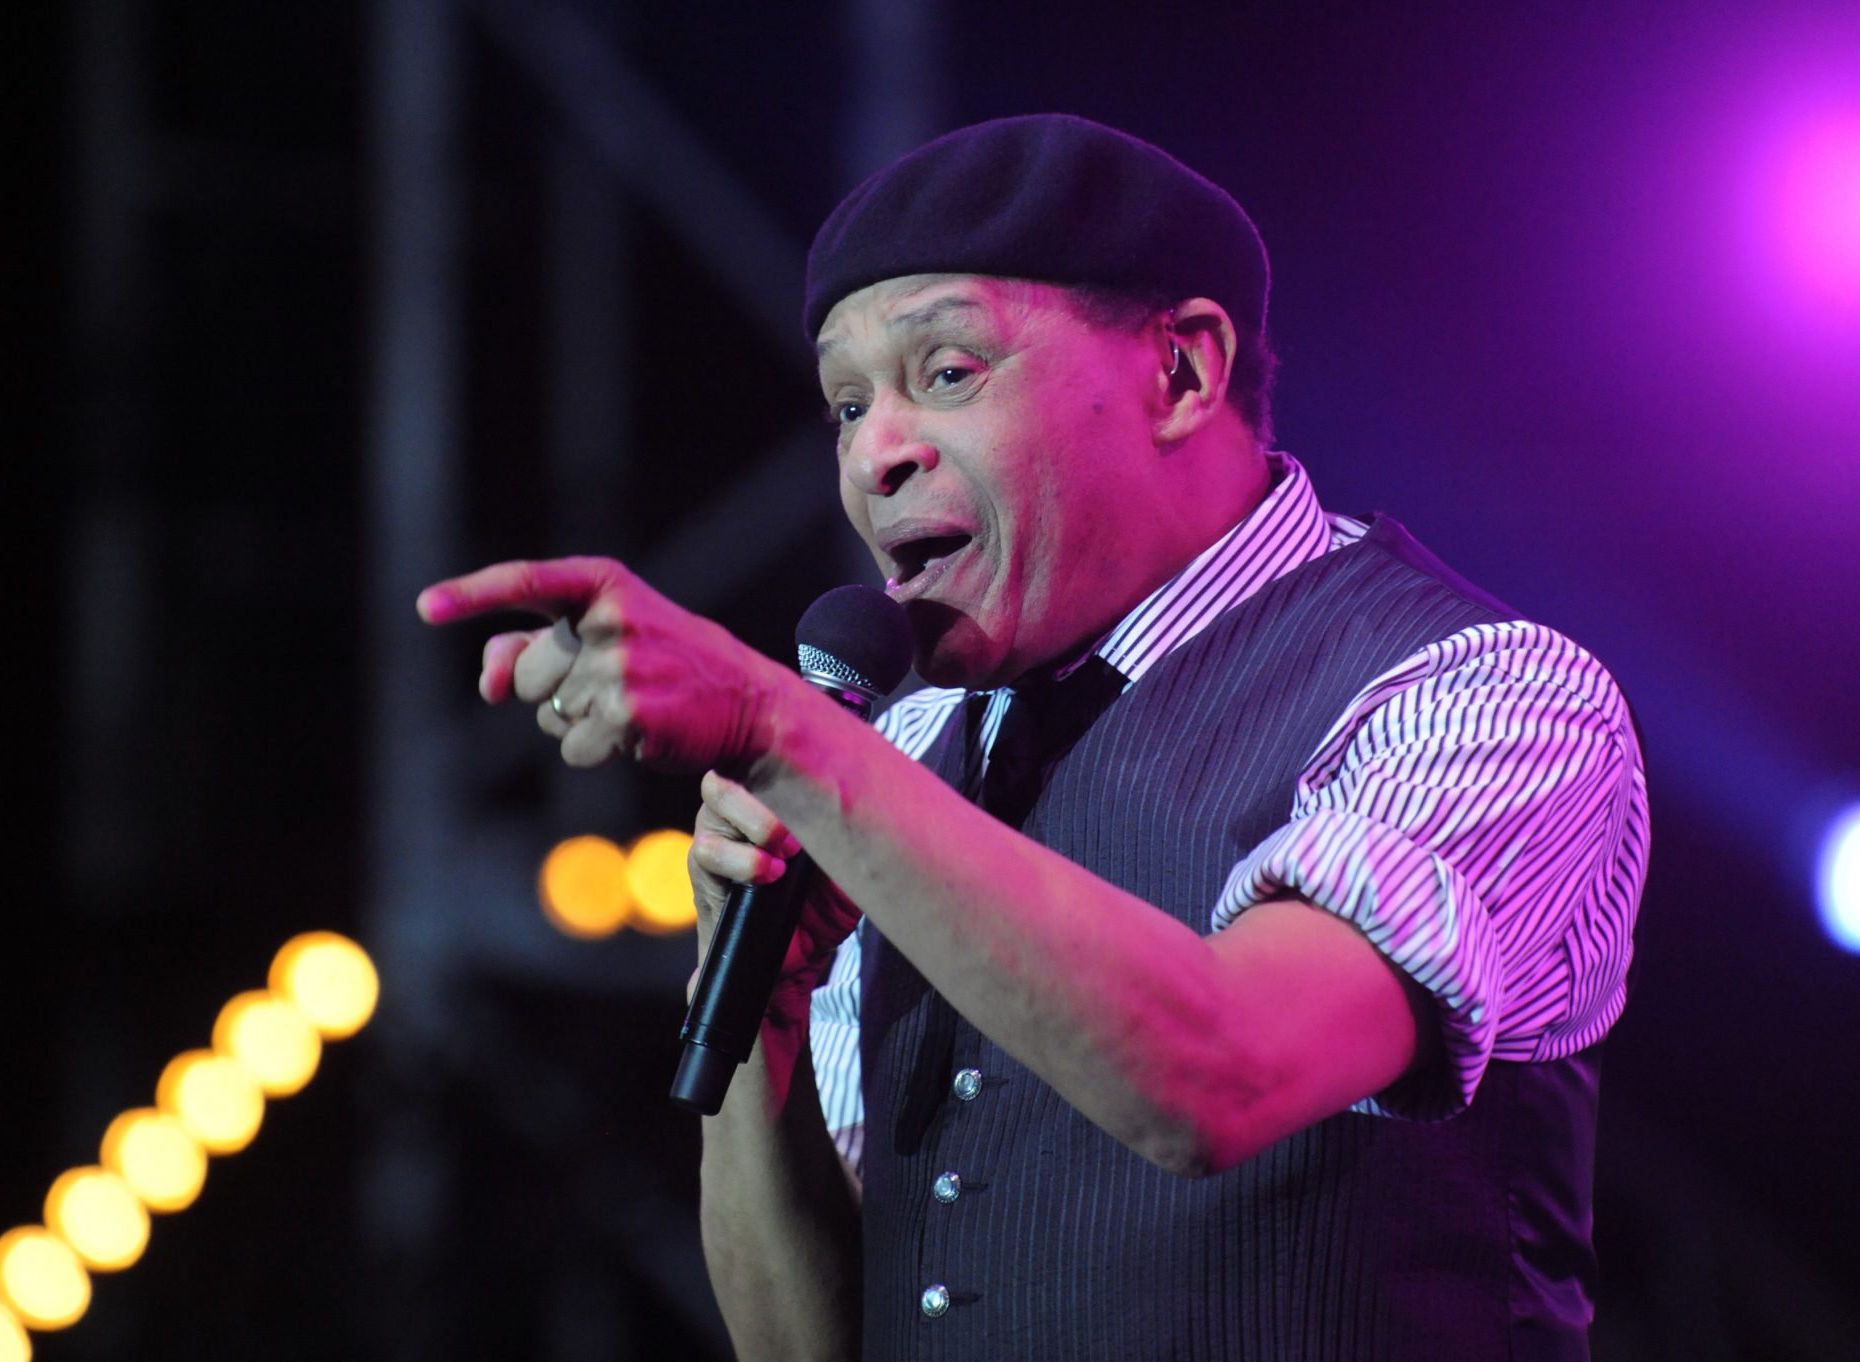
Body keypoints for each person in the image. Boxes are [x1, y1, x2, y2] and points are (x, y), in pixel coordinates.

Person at [419, 113, 1648, 1361]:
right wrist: (757, 1035)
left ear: (1181, 372)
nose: (874, 454)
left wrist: (779, 730)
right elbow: (808, 1348)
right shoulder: (893, 756)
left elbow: (1222, 1076)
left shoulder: (1482, 698)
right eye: (846, 405)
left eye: (945, 371)